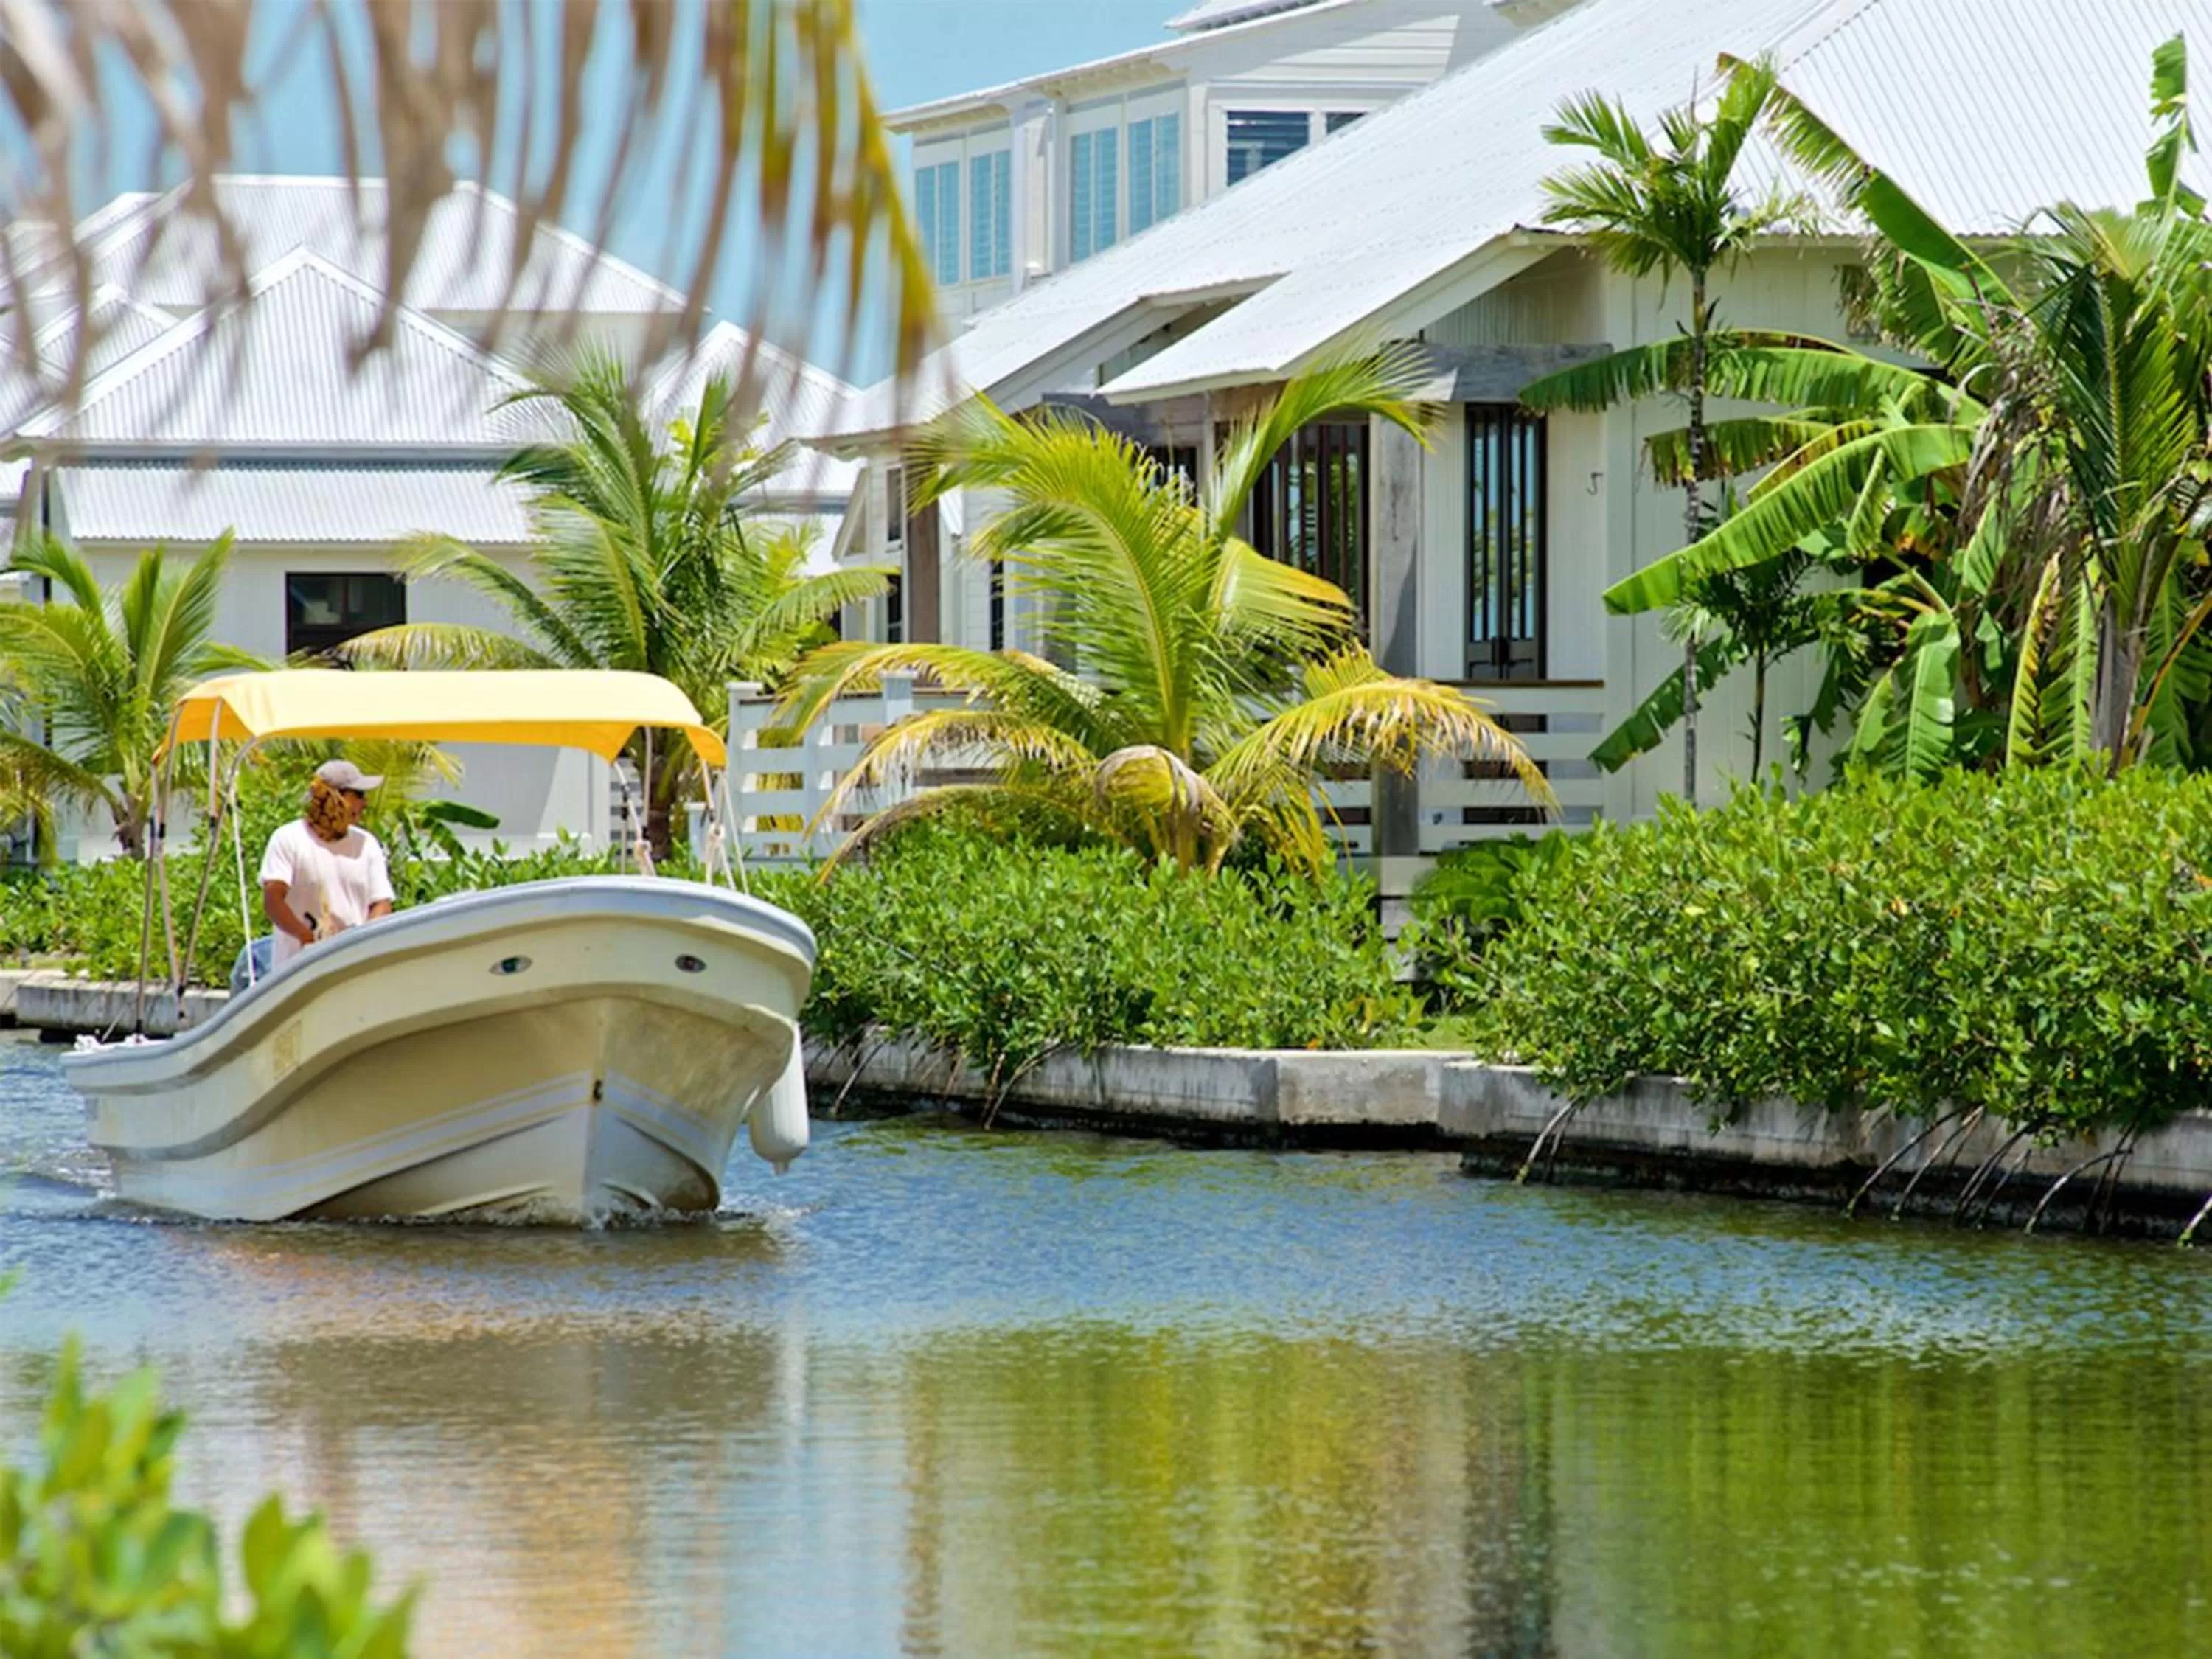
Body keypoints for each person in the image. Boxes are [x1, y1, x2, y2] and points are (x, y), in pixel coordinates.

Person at [259, 759, 395, 970]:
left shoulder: (367, 844)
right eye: (358, 795)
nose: (365, 803)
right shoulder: (288, 839)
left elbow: (381, 903)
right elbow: (273, 899)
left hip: (352, 969)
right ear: (335, 797)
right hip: (297, 971)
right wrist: (306, 937)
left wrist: (365, 940)